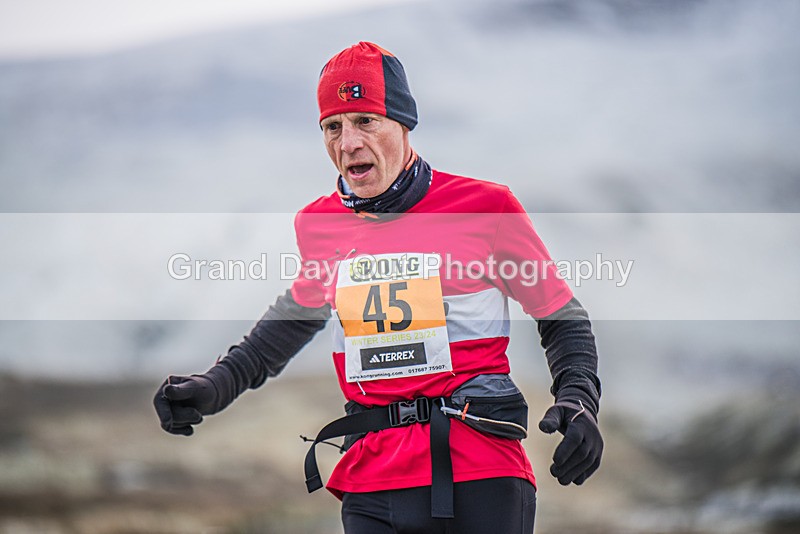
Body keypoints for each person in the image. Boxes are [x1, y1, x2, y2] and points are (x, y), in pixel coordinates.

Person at [154, 41, 602, 534]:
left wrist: (578, 397)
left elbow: (560, 315)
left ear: (403, 125)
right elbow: (296, 316)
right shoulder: (318, 223)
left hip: (480, 470)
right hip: (371, 479)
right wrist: (219, 384)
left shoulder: (486, 207)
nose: (347, 143)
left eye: (365, 120)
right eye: (332, 126)